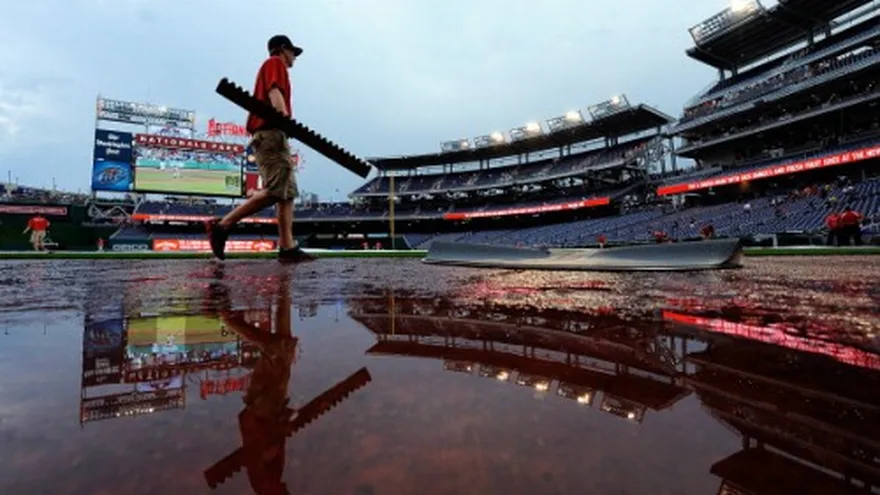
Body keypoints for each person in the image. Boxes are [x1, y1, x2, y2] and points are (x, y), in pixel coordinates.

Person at [209, 35, 314, 263]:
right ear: (283, 49)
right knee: (277, 190)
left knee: (287, 193)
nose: (294, 57)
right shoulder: (275, 63)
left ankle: (287, 247)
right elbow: (274, 91)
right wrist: (284, 118)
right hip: (271, 132)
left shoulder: (273, 66)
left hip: (273, 133)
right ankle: (222, 226)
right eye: (292, 52)